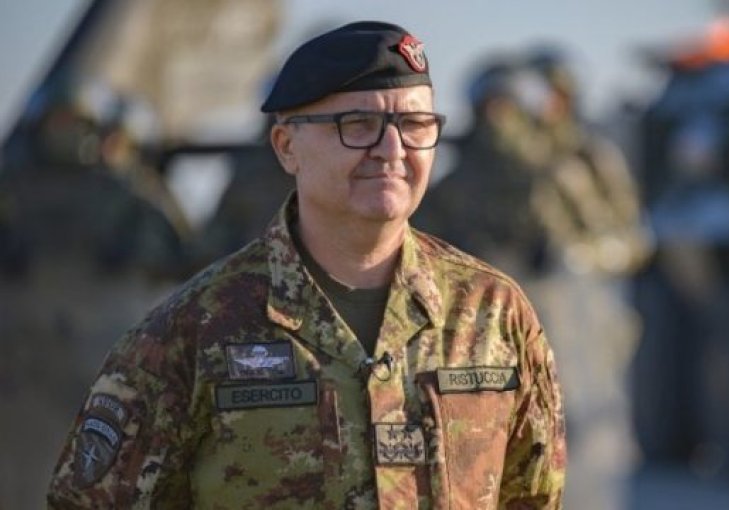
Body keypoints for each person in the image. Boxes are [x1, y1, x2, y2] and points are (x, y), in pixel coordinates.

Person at [47, 21, 566, 508]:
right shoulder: (193, 331)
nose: (392, 149)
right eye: (358, 124)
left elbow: (535, 496)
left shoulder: (495, 315)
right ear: (286, 146)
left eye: (414, 124)